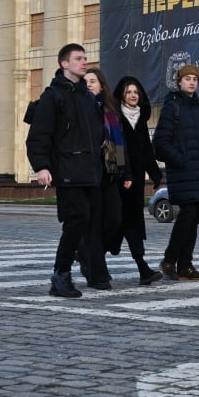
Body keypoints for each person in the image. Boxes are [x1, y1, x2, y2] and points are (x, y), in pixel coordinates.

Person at [25, 43, 111, 297]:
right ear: (65, 64)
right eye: (78, 58)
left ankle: (88, 266)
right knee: (76, 220)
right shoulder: (53, 96)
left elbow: (97, 132)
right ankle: (60, 275)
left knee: (93, 222)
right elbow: (38, 136)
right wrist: (41, 166)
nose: (84, 62)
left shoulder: (87, 97)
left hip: (91, 171)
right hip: (67, 170)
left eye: (85, 58)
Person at [152, 64, 199, 281]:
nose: (191, 82)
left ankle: (185, 265)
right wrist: (181, 160)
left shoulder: (198, 109)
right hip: (183, 172)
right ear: (179, 82)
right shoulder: (173, 106)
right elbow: (160, 143)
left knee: (193, 217)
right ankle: (170, 260)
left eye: (195, 79)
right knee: (187, 216)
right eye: (187, 78)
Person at [76, 67, 132, 290]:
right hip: (89, 175)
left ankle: (84, 251)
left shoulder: (111, 111)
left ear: (101, 85)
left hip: (109, 175)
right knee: (94, 224)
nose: (89, 84)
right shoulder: (80, 108)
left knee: (114, 221)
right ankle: (98, 273)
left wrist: (125, 172)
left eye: (93, 81)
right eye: (86, 81)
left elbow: (120, 144)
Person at [113, 75, 164, 285]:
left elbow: (146, 150)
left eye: (135, 92)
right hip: (118, 181)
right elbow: (116, 149)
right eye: (128, 92)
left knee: (130, 223)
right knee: (114, 223)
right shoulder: (113, 117)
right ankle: (86, 255)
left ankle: (143, 269)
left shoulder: (141, 118)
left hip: (136, 184)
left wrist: (156, 173)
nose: (133, 95)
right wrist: (124, 174)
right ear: (121, 96)